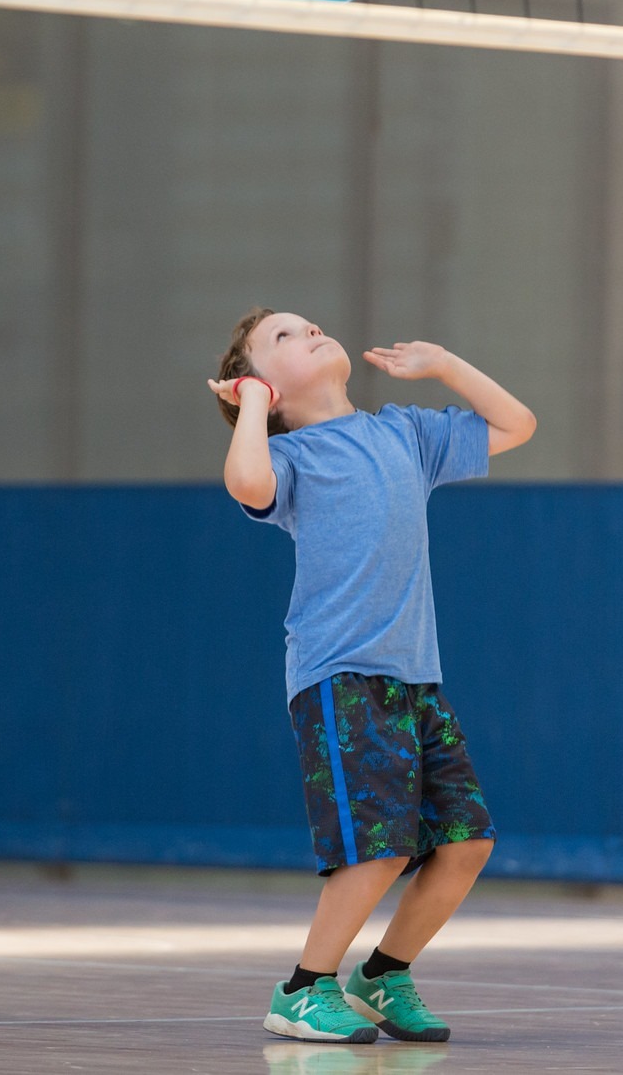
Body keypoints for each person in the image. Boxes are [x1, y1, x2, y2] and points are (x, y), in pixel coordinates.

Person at [210, 309, 536, 1044]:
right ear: (259, 381)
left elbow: (515, 423)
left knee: (465, 842)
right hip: (340, 675)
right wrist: (254, 406)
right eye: (284, 336)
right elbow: (247, 479)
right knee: (379, 845)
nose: (311, 330)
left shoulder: (406, 433)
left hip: (415, 677)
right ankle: (301, 987)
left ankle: (383, 973)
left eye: (308, 322)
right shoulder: (290, 456)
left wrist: (446, 364)